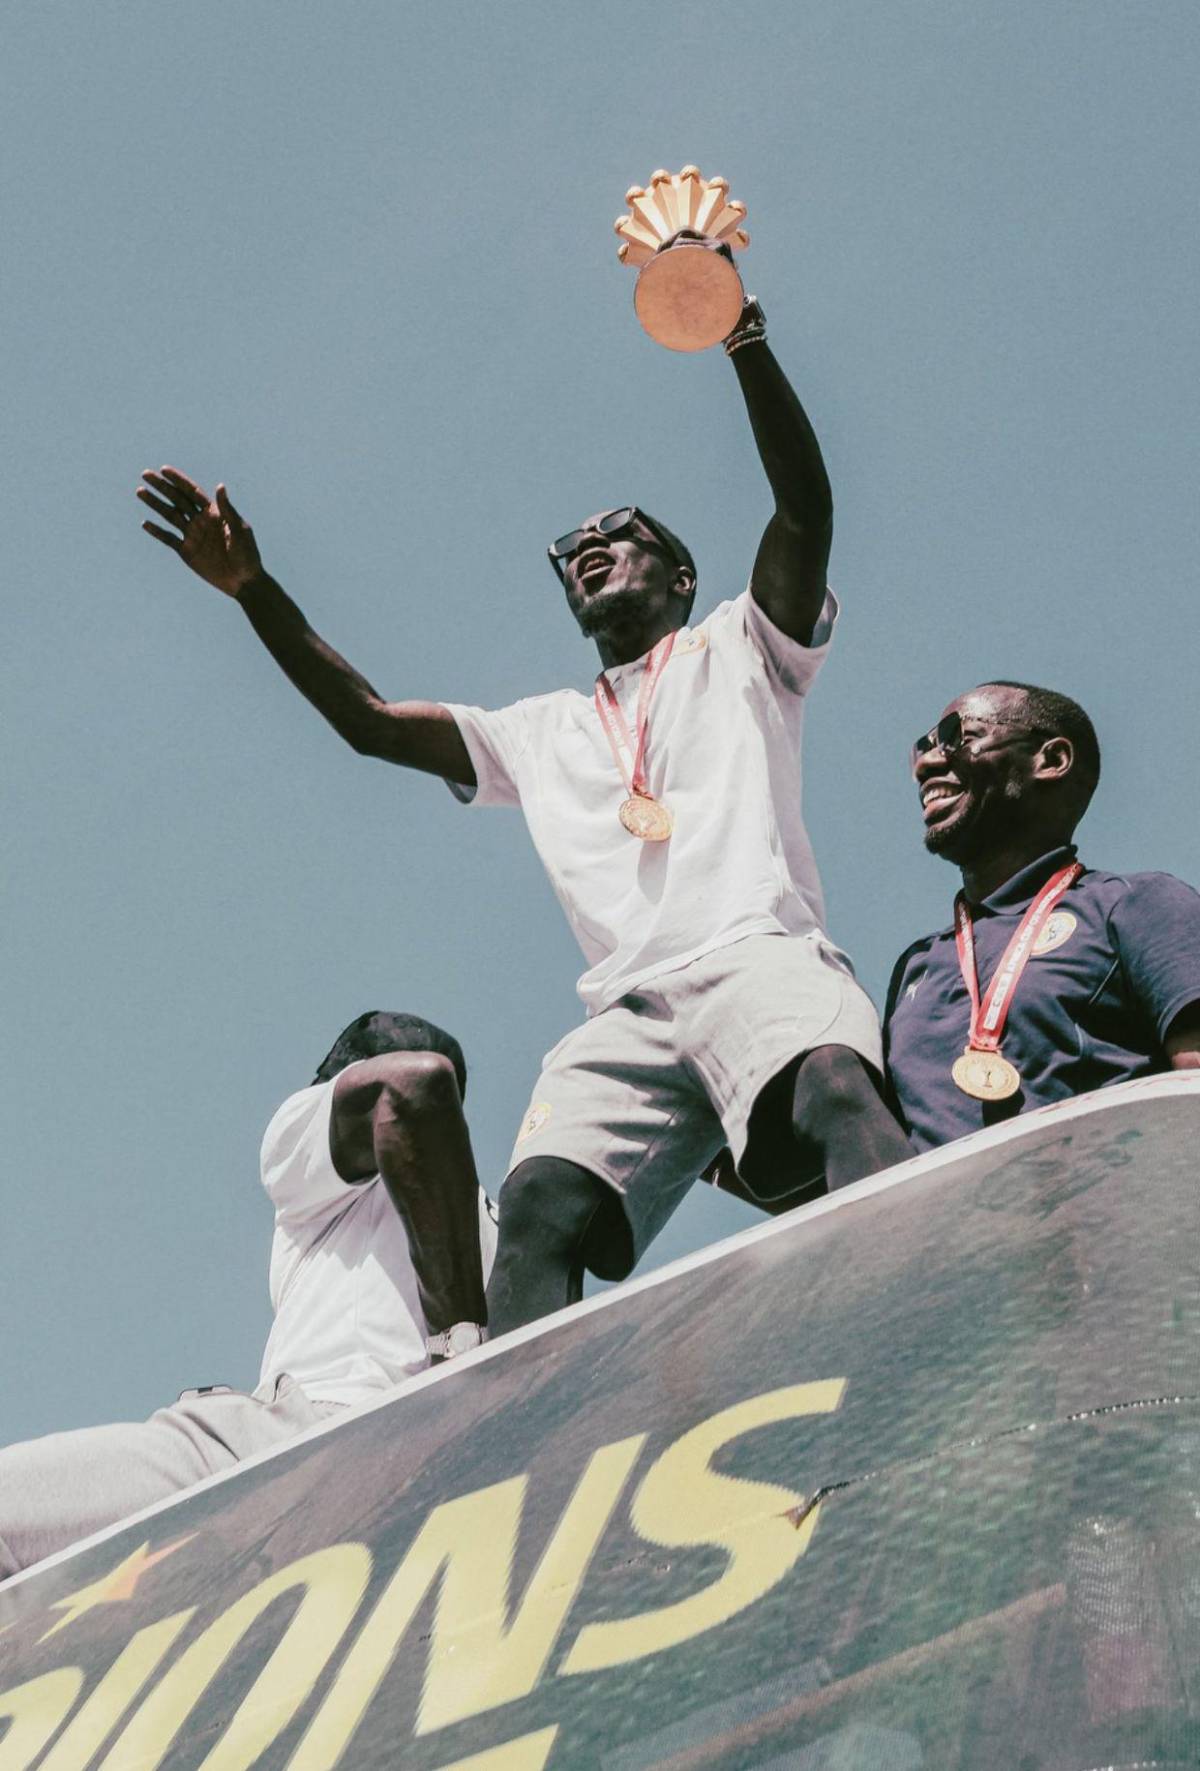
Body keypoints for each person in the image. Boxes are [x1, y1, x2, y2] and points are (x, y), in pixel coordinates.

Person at [137, 283, 910, 1337]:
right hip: (625, 1012)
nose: (587, 547)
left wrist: (743, 335)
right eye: (570, 549)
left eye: (619, 534)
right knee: (540, 1205)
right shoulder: (536, 728)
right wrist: (252, 588)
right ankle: (510, 1449)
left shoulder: (743, 646)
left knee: (831, 1089)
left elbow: (805, 511)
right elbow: (369, 722)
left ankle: (923, 1305)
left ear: (681, 577)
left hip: (755, 954)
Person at [0, 1010, 493, 1579]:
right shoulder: (502, 1229)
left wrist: (455, 1346)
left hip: (285, 1442)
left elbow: (408, 1086)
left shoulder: (309, 1139)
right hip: (426, 1476)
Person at [884, 681, 1200, 1153]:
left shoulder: (1135, 905)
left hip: (1113, 1219)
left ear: (1050, 760)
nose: (927, 762)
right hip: (950, 1227)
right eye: (922, 748)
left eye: (957, 736)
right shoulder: (917, 965)